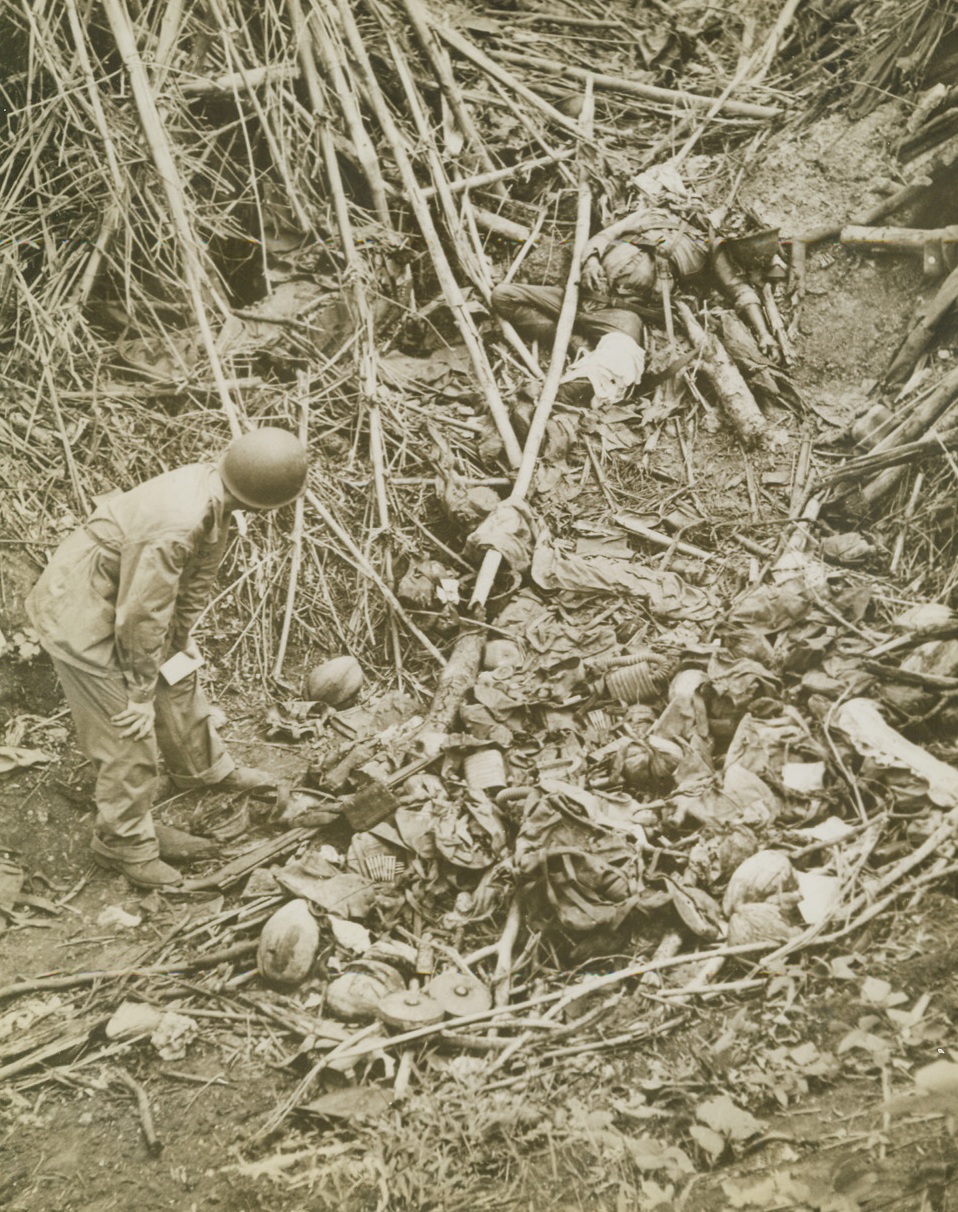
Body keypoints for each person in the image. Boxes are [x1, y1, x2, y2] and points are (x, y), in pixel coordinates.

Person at [26, 427, 309, 889]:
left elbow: (190, 582)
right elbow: (140, 615)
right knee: (127, 734)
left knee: (178, 677)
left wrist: (180, 640)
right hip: (81, 612)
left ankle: (201, 770)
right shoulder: (175, 523)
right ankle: (123, 844)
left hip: (125, 597)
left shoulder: (215, 495)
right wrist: (138, 694)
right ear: (266, 502)